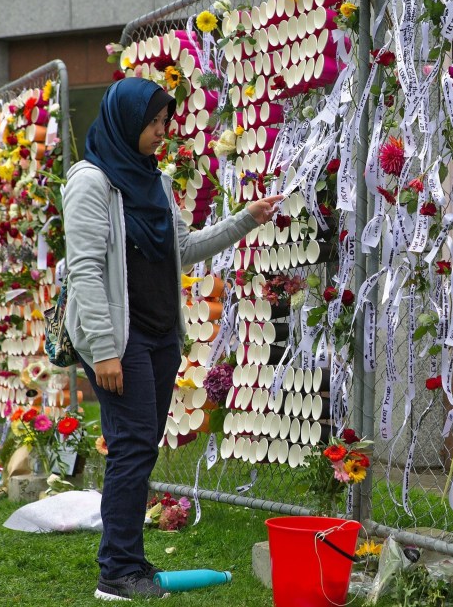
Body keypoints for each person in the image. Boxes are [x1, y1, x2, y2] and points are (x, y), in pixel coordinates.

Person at [62, 77, 282, 601]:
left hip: (161, 336)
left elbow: (182, 248)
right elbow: (87, 272)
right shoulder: (91, 182)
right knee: (132, 447)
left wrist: (244, 221)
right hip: (121, 339)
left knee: (139, 448)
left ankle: (127, 561)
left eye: (166, 122)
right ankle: (117, 572)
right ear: (127, 120)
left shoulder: (153, 182)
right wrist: (105, 351)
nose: (163, 132)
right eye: (155, 122)